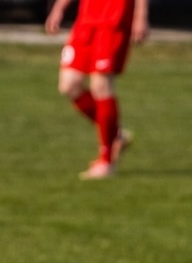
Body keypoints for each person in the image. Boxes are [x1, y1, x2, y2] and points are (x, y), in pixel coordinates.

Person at [45, 0, 148, 180]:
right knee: (69, 85)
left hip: (113, 20)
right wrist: (59, 9)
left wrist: (141, 16)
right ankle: (115, 135)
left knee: (101, 85)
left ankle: (107, 162)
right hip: (86, 21)